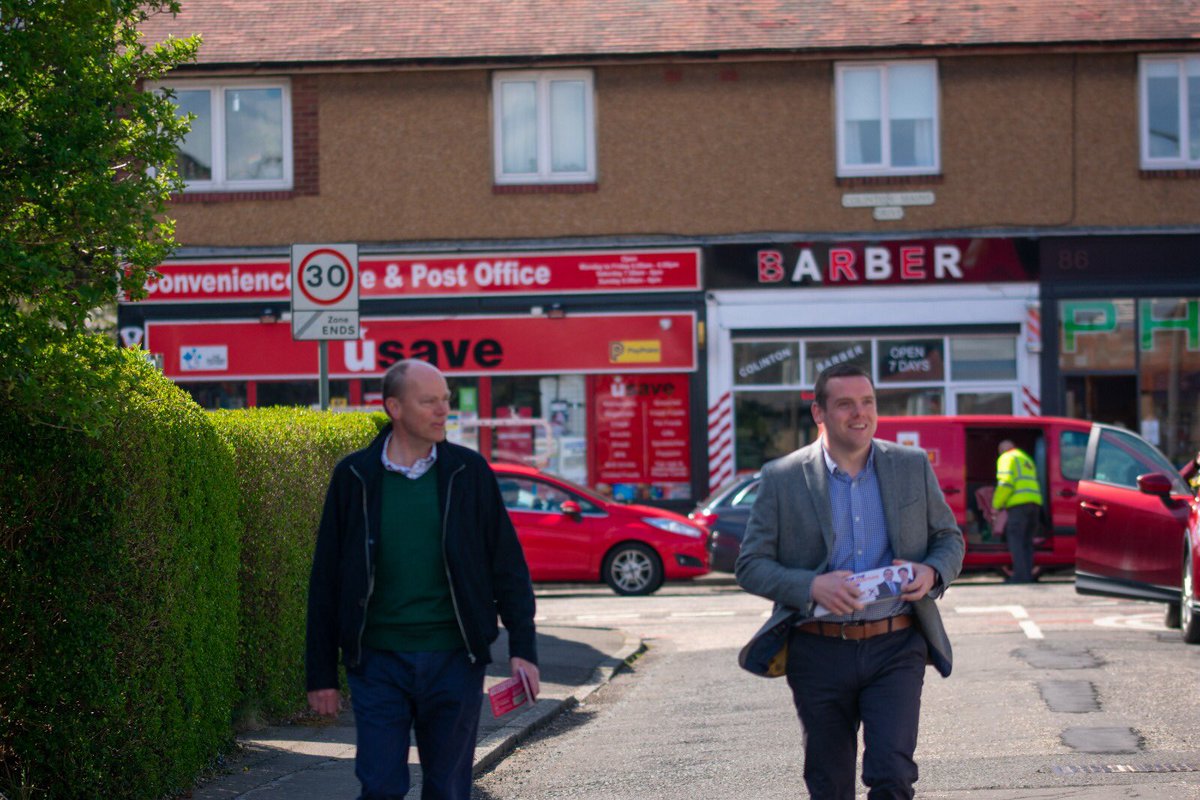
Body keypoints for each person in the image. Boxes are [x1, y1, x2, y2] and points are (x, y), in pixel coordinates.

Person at [306, 359, 539, 800]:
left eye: (445, 399)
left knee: (448, 790)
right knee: (379, 787)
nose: (442, 410)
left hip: (455, 659)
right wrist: (321, 674)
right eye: (428, 400)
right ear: (394, 406)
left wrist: (524, 650)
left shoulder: (468, 473)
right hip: (377, 662)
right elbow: (326, 581)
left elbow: (507, 566)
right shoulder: (355, 477)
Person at [736, 363, 964, 800]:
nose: (859, 414)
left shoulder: (910, 465)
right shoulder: (783, 477)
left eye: (867, 402)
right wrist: (810, 586)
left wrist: (932, 571)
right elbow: (751, 564)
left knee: (893, 775)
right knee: (829, 783)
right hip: (817, 650)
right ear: (819, 413)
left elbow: (948, 539)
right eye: (845, 404)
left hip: (896, 643)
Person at [992, 439, 1044, 584]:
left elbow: (1005, 483)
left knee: (1016, 542)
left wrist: (996, 505)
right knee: (1027, 543)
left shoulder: (1006, 458)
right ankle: (1027, 576)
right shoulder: (1026, 458)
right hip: (1034, 503)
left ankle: (1019, 577)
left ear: (1002, 450)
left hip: (1018, 505)